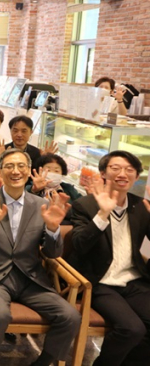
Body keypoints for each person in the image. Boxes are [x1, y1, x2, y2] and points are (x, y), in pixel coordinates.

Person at [0, 149, 81, 366]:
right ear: (0, 172)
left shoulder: (42, 205)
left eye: (21, 166)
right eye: (9, 166)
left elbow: (52, 254)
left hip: (31, 278)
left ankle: (43, 362)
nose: (15, 171)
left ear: (29, 171)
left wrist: (52, 229)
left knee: (70, 316)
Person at [70, 151, 150, 366]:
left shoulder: (141, 206)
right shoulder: (85, 205)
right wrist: (103, 214)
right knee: (132, 329)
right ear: (103, 173)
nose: (122, 174)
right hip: (100, 282)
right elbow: (79, 245)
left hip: (134, 279)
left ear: (136, 176)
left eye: (129, 169)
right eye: (115, 168)